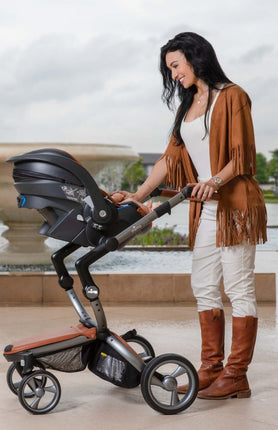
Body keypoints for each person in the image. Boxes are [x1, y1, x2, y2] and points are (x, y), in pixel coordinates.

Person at [112, 32, 267, 400]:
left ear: (196, 58)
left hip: (235, 207)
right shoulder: (188, 105)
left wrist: (214, 180)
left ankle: (237, 375)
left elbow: (242, 156)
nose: (174, 74)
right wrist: (138, 196)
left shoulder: (232, 96)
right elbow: (169, 159)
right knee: (204, 288)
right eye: (169, 69)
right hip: (204, 209)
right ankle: (211, 369)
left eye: (176, 65)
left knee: (240, 288)